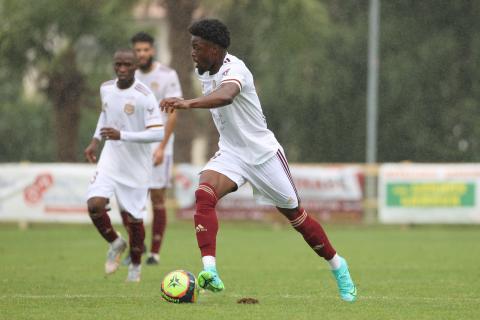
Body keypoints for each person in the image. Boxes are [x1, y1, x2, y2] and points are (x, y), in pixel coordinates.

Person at [159, 19, 357, 302]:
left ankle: (339, 266)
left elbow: (227, 95)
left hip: (263, 155)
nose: (192, 52)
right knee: (204, 194)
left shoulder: (235, 69)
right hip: (231, 153)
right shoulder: (204, 69)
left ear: (214, 50)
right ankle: (210, 271)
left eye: (196, 47)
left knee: (296, 217)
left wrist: (187, 103)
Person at [84, 48, 164, 282]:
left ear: (135, 67)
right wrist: (95, 141)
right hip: (111, 157)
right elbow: (105, 114)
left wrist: (123, 135)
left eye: (127, 65)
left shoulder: (144, 95)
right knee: (94, 205)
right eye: (118, 64)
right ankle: (116, 243)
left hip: (137, 165)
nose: (121, 69)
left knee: (134, 219)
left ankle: (135, 267)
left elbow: (157, 133)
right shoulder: (106, 88)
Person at [120, 32, 183, 266]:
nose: (141, 54)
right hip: (133, 145)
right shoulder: (128, 76)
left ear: (152, 51)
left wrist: (162, 147)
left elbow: (173, 113)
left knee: (157, 197)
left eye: (145, 50)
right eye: (137, 50)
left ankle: (154, 253)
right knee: (126, 198)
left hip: (159, 146)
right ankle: (138, 243)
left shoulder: (167, 75)